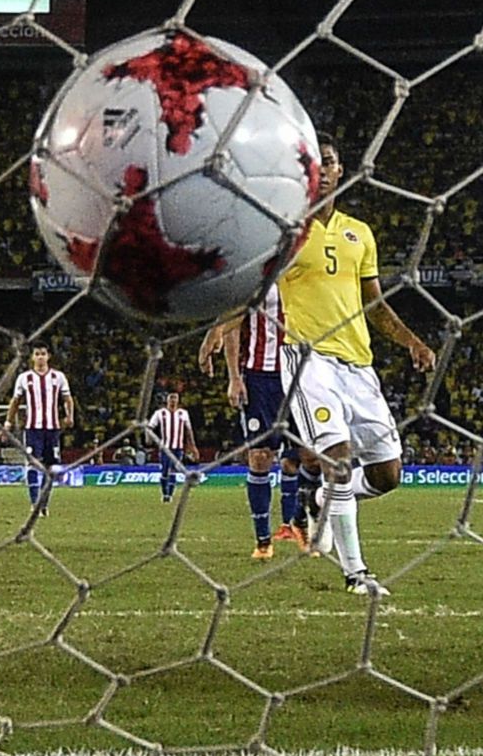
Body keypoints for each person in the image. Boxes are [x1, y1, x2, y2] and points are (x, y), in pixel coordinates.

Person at [278, 138, 436, 595]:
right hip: (307, 359)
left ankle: (325, 498)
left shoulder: (359, 233)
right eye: (313, 164)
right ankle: (356, 573)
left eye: (327, 161)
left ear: (341, 169)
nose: (322, 170)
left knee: (388, 476)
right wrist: (220, 329)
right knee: (340, 458)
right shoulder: (287, 231)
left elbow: (376, 305)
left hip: (358, 365)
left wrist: (412, 342)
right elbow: (252, 288)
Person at [199, 284, 306, 560]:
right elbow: (235, 323)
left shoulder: (306, 269)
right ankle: (262, 540)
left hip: (303, 375)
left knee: (301, 458)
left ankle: (300, 523)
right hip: (260, 379)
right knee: (259, 457)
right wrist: (234, 377)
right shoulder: (258, 276)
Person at [5, 343, 73, 507]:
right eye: (37, 354)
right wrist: (8, 423)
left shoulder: (59, 377)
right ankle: (34, 502)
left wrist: (70, 416)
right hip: (32, 429)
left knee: (52, 467)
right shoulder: (24, 378)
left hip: (53, 429)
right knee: (32, 464)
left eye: (43, 353)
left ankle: (44, 503)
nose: (40, 357)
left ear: (48, 356)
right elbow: (15, 402)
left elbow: (67, 399)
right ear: (32, 357)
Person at [150, 391, 195, 504]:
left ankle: (169, 495)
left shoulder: (183, 413)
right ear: (167, 400)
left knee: (173, 471)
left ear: (178, 400)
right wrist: (150, 439)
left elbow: (189, 430)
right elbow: (150, 427)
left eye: (175, 398)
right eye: (171, 398)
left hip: (178, 448)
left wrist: (192, 446)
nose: (173, 400)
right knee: (164, 471)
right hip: (165, 448)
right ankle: (164, 492)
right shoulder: (160, 413)